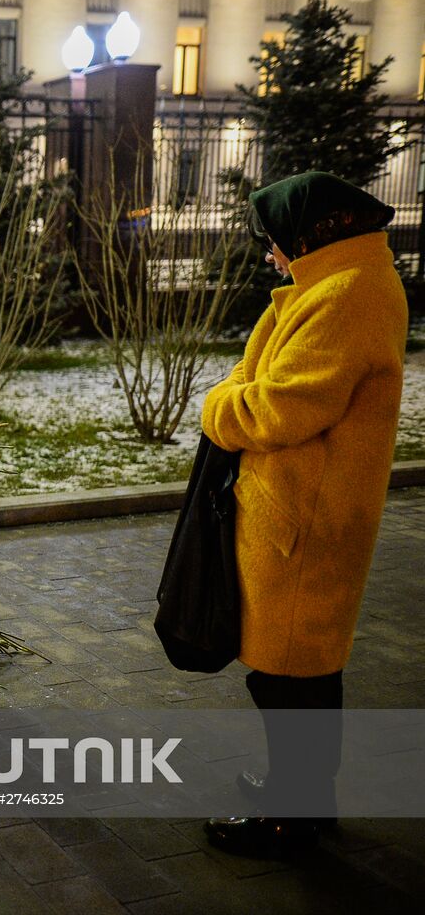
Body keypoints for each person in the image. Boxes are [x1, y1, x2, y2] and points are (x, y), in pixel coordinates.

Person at [200, 171, 406, 857]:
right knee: (302, 670)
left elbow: (283, 405)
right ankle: (305, 794)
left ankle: (296, 814)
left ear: (313, 235)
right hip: (304, 511)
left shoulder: (347, 297)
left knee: (288, 676)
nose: (269, 255)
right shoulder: (338, 287)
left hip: (307, 522)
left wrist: (218, 407)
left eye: (275, 242)